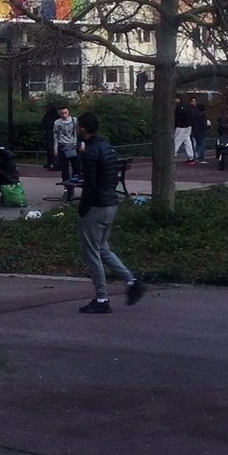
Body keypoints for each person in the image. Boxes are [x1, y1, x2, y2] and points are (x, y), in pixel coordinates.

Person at [75, 112, 146, 314]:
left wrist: (83, 209)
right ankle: (132, 282)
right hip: (111, 204)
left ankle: (101, 298)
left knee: (93, 254)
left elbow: (89, 184)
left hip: (95, 207)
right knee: (104, 249)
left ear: (83, 129)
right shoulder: (106, 147)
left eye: (78, 126)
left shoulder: (90, 152)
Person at [53, 105, 80, 182]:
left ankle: (74, 181)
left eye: (65, 113)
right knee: (64, 168)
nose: (64, 115)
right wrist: (55, 149)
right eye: (62, 113)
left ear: (68, 112)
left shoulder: (74, 120)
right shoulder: (57, 123)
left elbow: (78, 133)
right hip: (62, 145)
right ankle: (66, 185)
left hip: (73, 145)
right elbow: (55, 136)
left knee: (76, 166)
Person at [172, 95, 193, 161]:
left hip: (181, 127)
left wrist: (176, 124)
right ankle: (191, 156)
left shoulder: (178, 108)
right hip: (188, 126)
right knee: (187, 141)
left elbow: (177, 117)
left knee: (177, 141)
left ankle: (173, 154)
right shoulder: (188, 107)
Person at [189, 97, 209, 164]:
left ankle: (194, 157)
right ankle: (201, 158)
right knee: (201, 144)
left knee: (195, 145)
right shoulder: (203, 115)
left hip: (194, 130)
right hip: (201, 131)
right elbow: (204, 124)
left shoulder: (194, 113)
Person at [40, 104, 60, 170]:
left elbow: (44, 123)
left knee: (51, 148)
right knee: (51, 148)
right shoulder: (56, 116)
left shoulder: (48, 116)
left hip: (50, 133)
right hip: (53, 133)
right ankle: (52, 162)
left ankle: (53, 162)